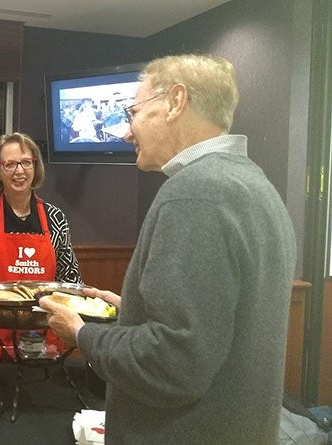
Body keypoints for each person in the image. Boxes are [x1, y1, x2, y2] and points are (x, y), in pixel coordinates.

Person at [40, 54, 297, 444]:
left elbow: (171, 364)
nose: (127, 133)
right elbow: (218, 324)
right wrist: (132, 312)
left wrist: (82, 332)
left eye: (133, 113)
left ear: (176, 102)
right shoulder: (253, 184)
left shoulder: (195, 193)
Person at [0, 132, 82, 367]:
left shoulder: (55, 218)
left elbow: (70, 277)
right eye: (10, 164)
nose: (19, 171)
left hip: (45, 335)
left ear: (35, 167)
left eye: (26, 162)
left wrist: (72, 319)